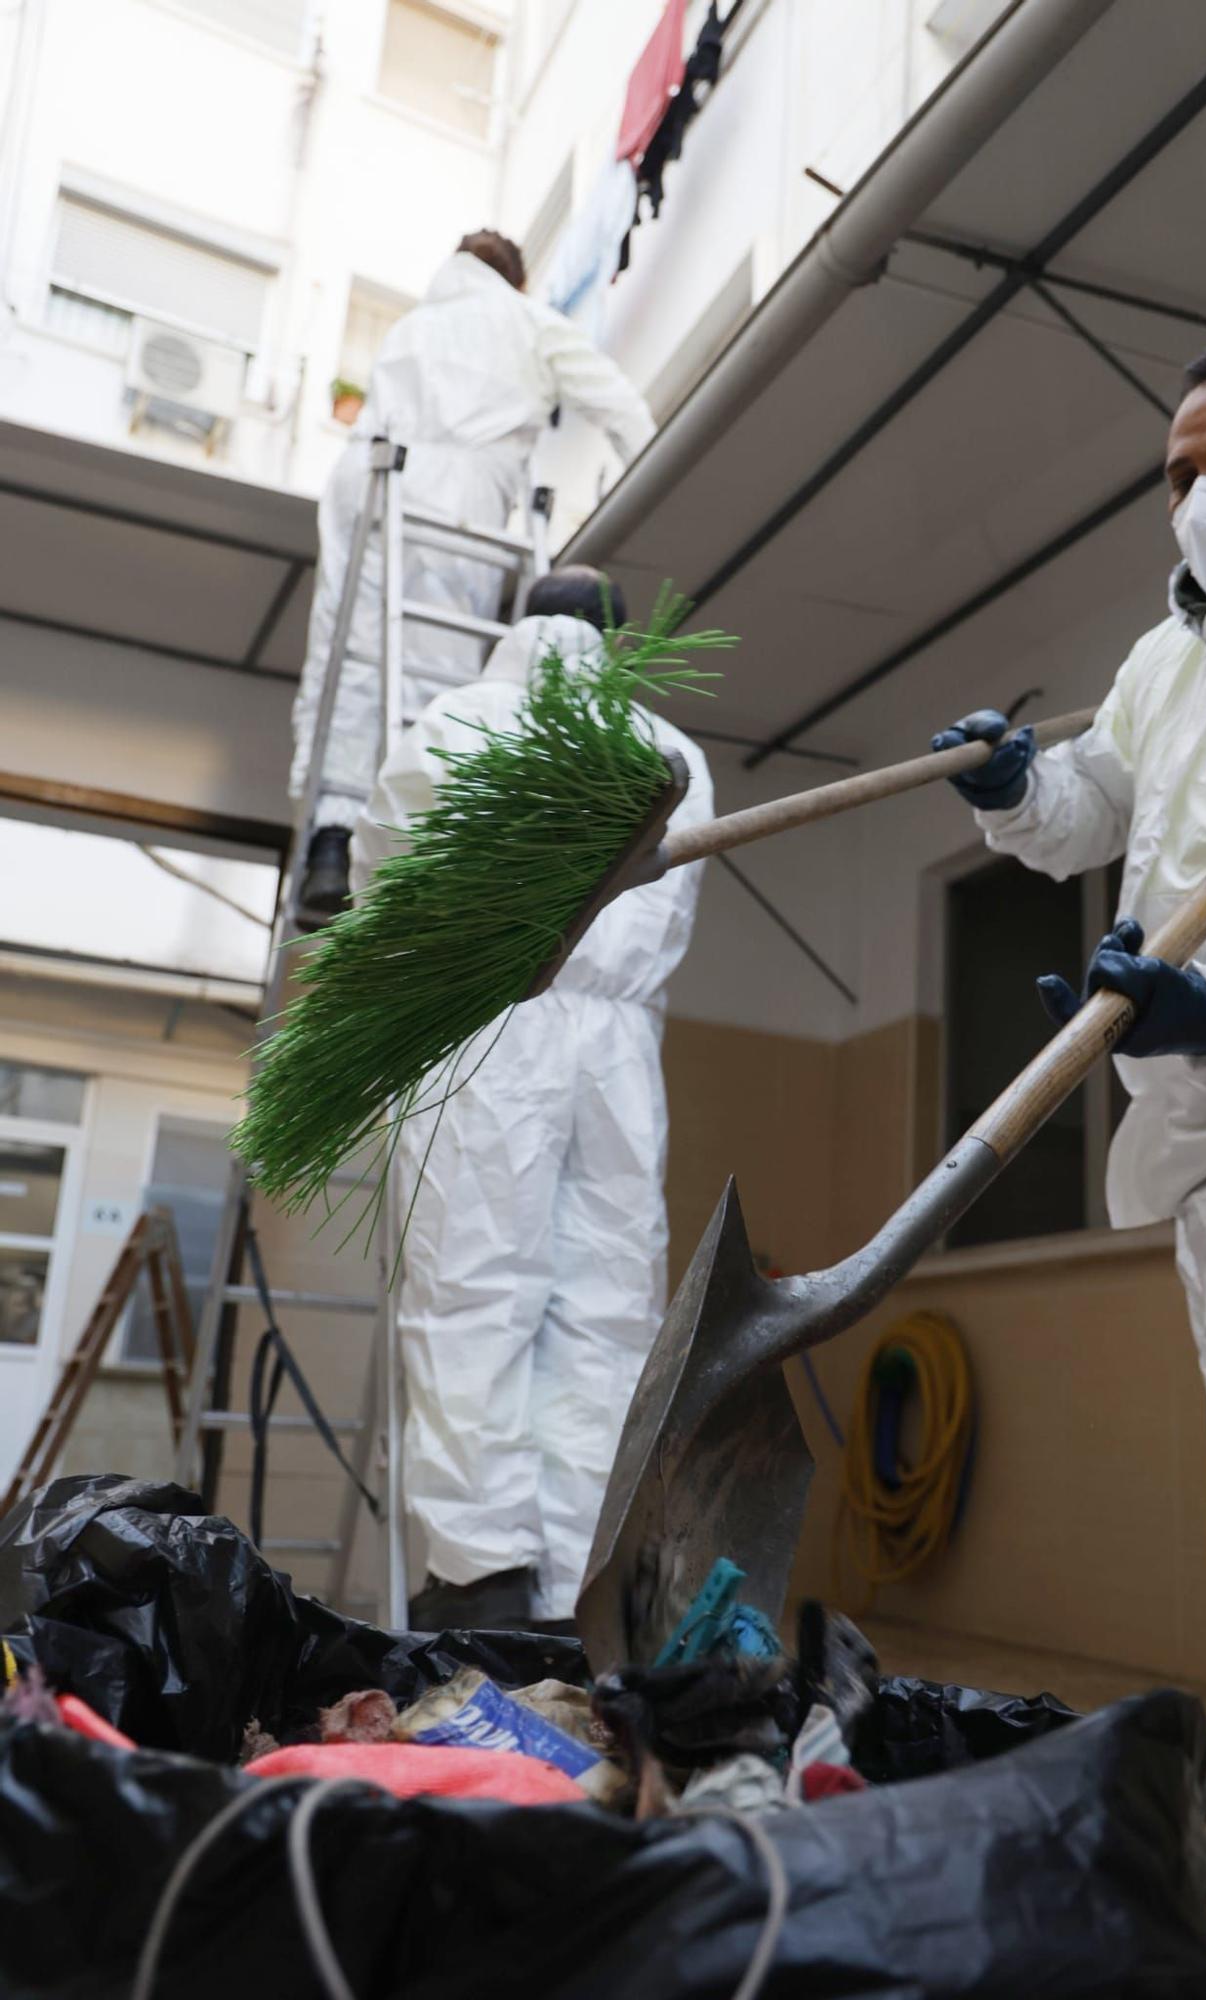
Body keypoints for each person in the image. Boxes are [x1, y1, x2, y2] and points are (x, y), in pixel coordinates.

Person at [933, 333, 1206, 2000]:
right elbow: (1111, 795)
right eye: (1174, 472)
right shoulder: (1171, 655)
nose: (1196, 498)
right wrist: (1023, 788)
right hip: (1204, 1137)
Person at [351, 565, 714, 1633]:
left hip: (481, 1024)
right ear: (616, 634)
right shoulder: (673, 750)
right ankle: (579, 1581)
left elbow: (379, 880)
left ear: (521, 626)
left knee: (473, 1290)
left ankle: (479, 1576)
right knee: (604, 1302)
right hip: (618, 1047)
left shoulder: (452, 720)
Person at [291, 230, 656, 917]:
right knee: (442, 671)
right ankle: (420, 854)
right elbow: (621, 406)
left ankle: (331, 845)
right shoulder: (529, 321)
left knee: (354, 662)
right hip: (457, 496)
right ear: (515, 281)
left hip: (366, 486)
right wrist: (649, 491)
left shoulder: (412, 325)